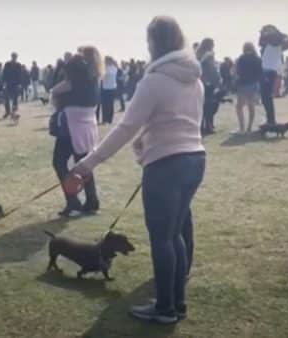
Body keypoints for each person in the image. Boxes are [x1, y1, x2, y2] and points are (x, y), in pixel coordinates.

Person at [63, 16, 205, 324]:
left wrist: (85, 165)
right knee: (176, 235)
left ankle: (166, 308)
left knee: (163, 239)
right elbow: (181, 123)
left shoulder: (153, 80)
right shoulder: (195, 79)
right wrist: (147, 143)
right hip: (195, 159)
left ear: (154, 43)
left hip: (166, 165)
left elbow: (126, 128)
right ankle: (176, 303)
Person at [50, 46, 102, 216]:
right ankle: (91, 200)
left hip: (71, 127)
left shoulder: (74, 80)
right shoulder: (95, 79)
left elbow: (55, 92)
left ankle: (72, 199)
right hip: (87, 127)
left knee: (59, 162)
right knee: (84, 164)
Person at [259, 25, 288, 124]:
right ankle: (270, 119)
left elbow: (261, 40)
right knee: (266, 97)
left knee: (266, 97)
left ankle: (270, 120)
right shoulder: (277, 45)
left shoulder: (274, 43)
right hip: (270, 71)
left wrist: (264, 32)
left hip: (268, 71)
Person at [234, 42, 262, 134]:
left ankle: (242, 128)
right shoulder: (257, 59)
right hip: (253, 84)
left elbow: (237, 72)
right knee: (251, 106)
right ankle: (249, 127)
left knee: (239, 107)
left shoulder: (241, 58)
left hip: (243, 84)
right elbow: (260, 73)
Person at [196, 38, 221, 134]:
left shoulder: (198, 54)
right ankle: (209, 126)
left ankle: (201, 126)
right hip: (208, 83)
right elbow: (212, 70)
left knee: (201, 105)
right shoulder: (209, 55)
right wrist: (217, 81)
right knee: (209, 106)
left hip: (199, 82)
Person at [97, 56, 118, 124]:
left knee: (105, 105)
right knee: (110, 104)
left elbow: (101, 76)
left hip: (106, 88)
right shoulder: (114, 68)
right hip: (113, 87)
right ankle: (109, 119)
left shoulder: (105, 68)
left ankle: (105, 119)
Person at [2, 52, 22, 118]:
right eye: (13, 56)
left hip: (15, 84)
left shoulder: (18, 65)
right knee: (6, 99)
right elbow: (4, 74)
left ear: (16, 57)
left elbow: (20, 75)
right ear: (11, 57)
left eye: (15, 56)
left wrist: (19, 84)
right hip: (8, 83)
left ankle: (14, 112)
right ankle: (7, 112)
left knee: (15, 99)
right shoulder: (7, 64)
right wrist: (4, 83)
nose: (14, 58)